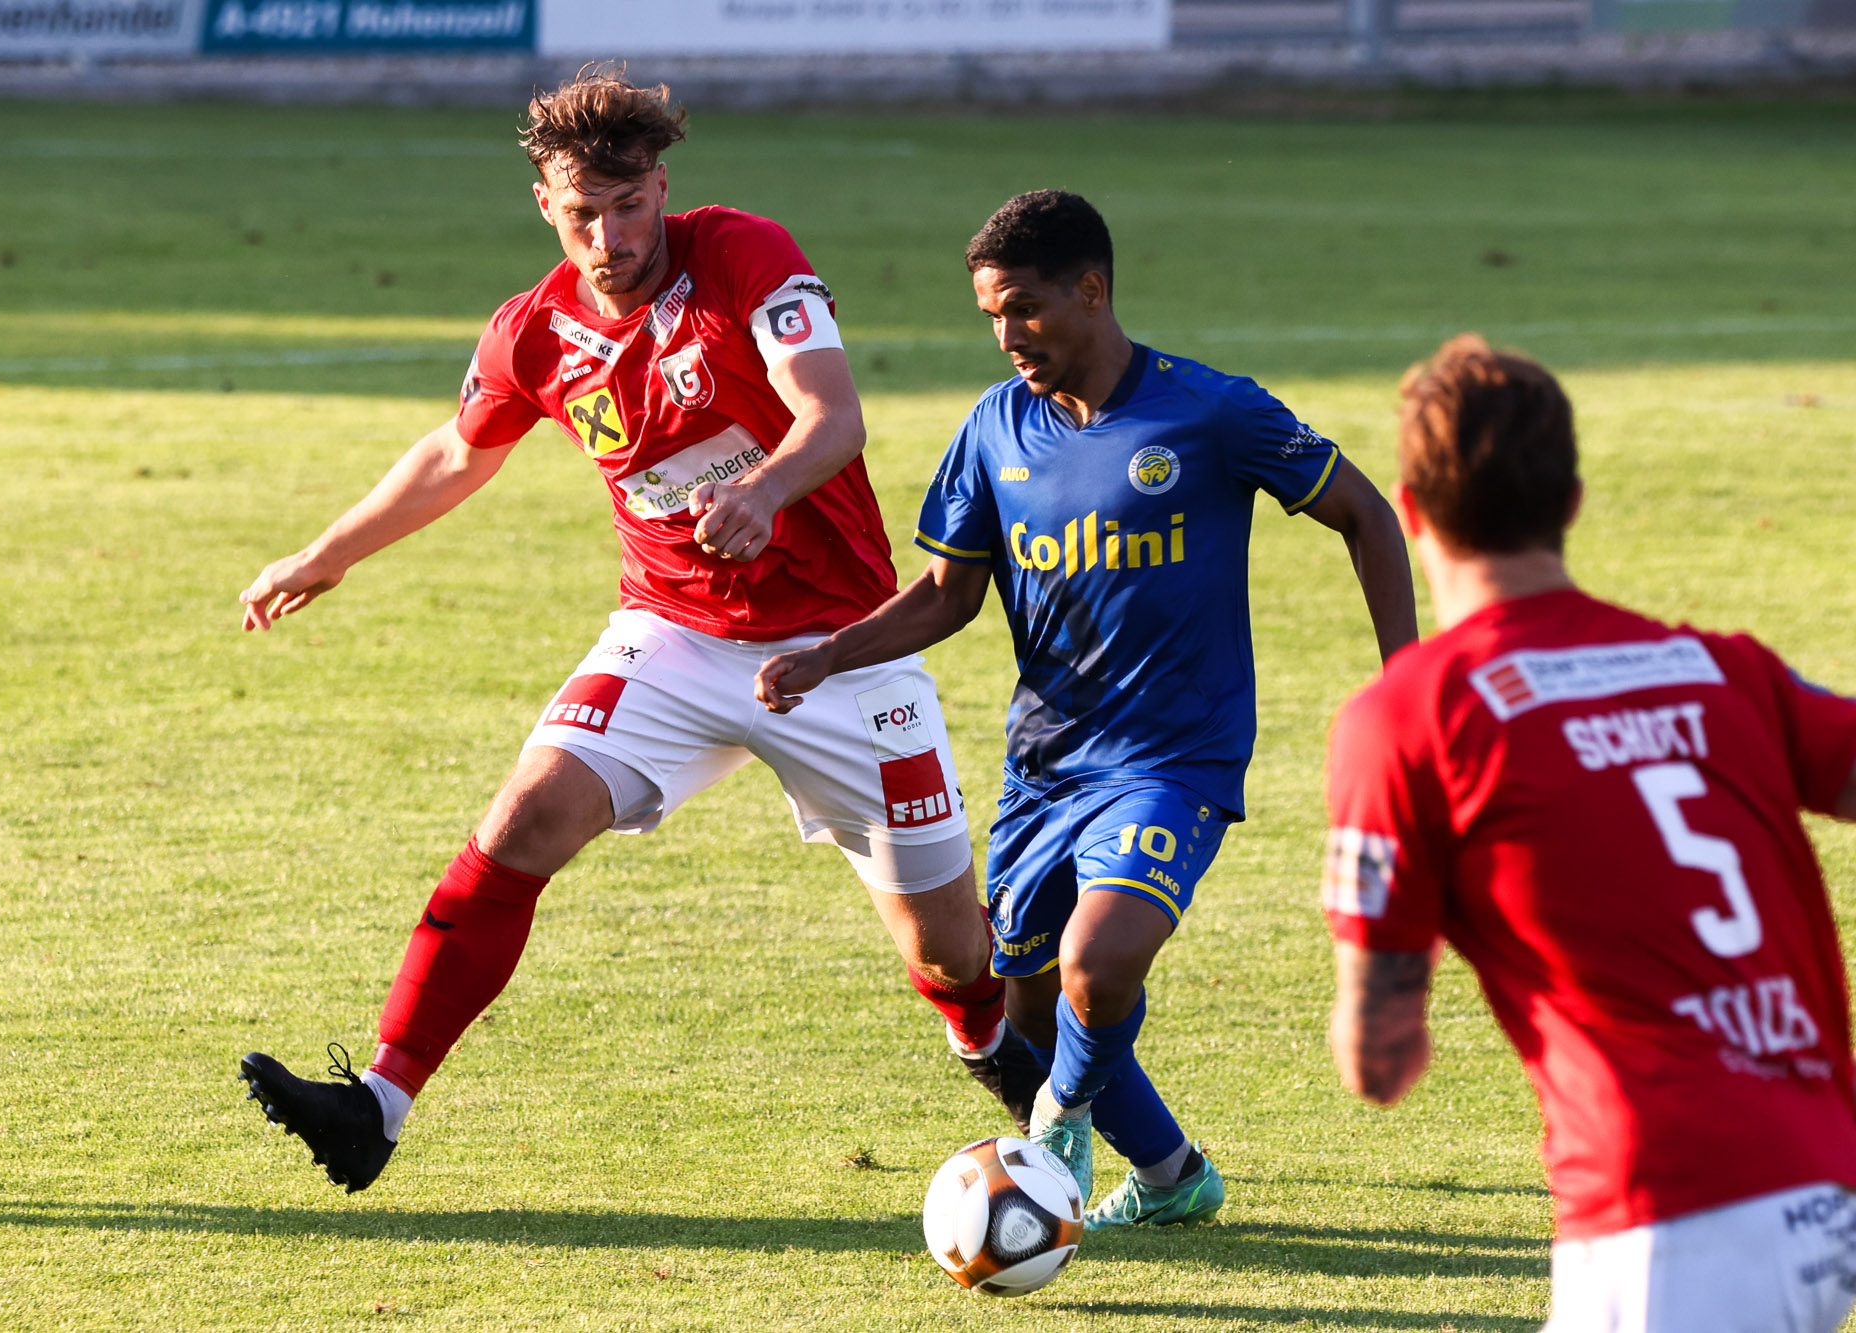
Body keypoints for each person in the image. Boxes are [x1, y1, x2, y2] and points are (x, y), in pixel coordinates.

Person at [231, 68, 1043, 1194]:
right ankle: (379, 1101)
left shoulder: (745, 253)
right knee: (521, 820)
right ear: (545, 205)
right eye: (581, 212)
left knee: (947, 949)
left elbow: (831, 413)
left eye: (628, 206)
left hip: (839, 651)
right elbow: (455, 453)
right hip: (668, 635)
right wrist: (322, 555)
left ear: (660, 186)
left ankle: (989, 1045)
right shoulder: (534, 331)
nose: (608, 236)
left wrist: (763, 487)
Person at [756, 189, 1417, 1227]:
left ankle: (1056, 1116)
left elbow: (1365, 514)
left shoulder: (1206, 412)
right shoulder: (994, 427)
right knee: (1022, 1003)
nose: (1006, 335)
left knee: (1096, 965)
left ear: (1091, 290)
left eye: (1022, 308)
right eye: (989, 315)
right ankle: (1167, 1175)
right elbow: (947, 592)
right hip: (1046, 764)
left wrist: (1404, 677)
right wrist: (827, 656)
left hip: (1175, 757)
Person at [1321, 335, 1856, 1330]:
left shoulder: (1407, 720)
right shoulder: (1723, 669)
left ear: (1409, 508)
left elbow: (1377, 1062)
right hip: (1822, 1182)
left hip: (1665, 1213)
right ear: (1569, 502)